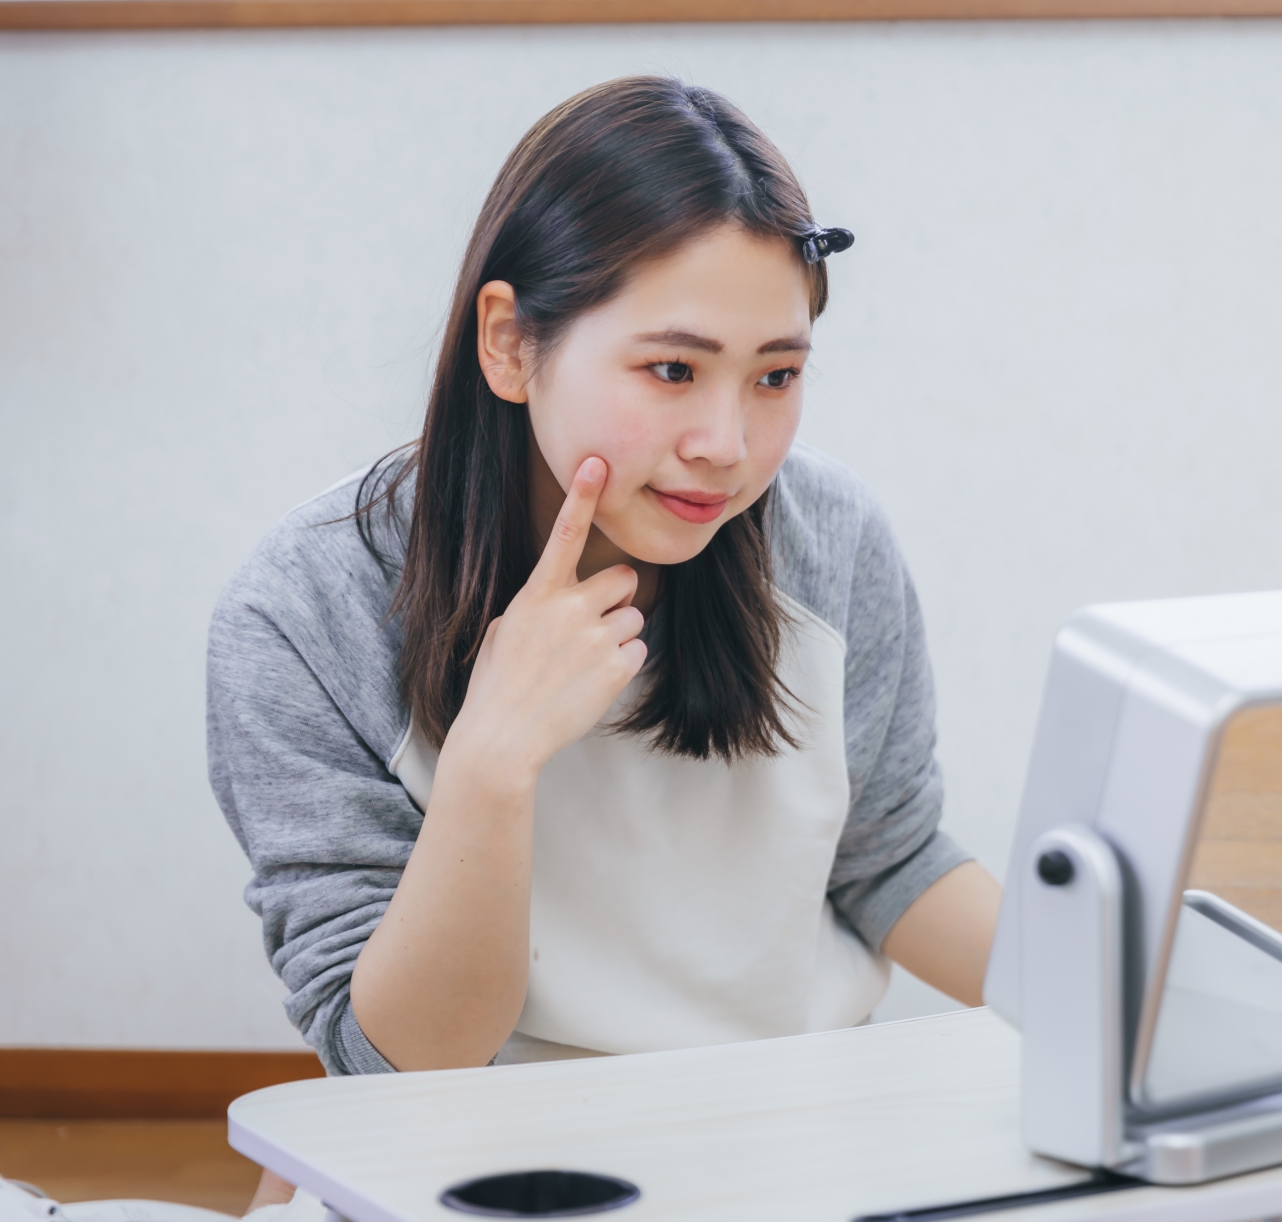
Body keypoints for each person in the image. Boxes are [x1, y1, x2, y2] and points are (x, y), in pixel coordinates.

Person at [207, 76, 1001, 1206]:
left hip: (779, 1148)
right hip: (481, 1167)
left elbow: (892, 861)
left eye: (776, 375)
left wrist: (1128, 1012)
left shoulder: (830, 540)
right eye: (672, 369)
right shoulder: (303, 612)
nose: (726, 443)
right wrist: (492, 762)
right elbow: (403, 1065)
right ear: (509, 343)